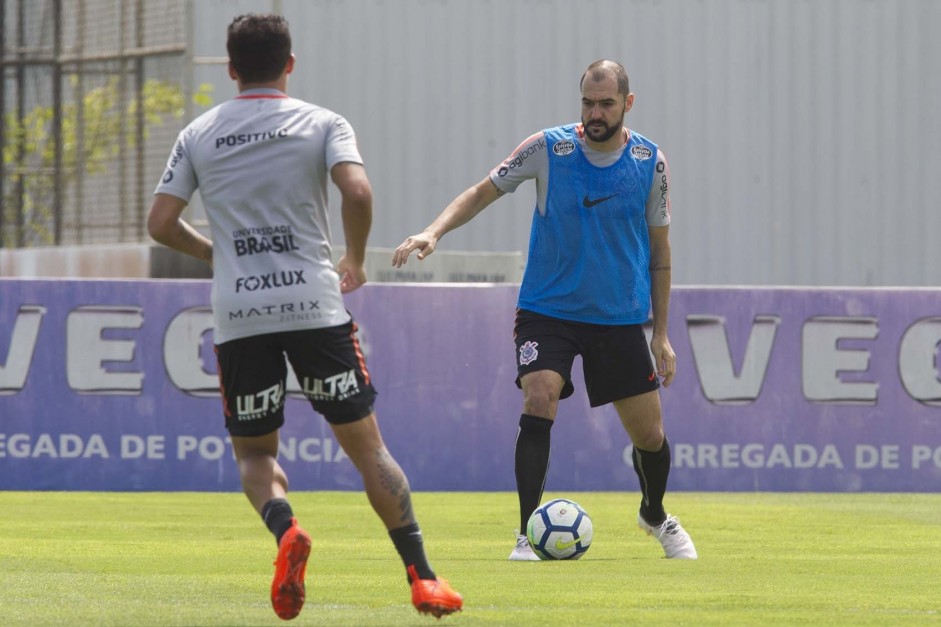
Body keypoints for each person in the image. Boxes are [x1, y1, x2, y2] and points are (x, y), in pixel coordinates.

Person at [147, 13, 462, 620]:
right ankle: (423, 578)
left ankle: (287, 529)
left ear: (232, 69)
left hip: (242, 313)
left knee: (256, 456)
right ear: (290, 63)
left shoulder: (199, 132)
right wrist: (355, 258)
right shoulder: (323, 122)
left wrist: (216, 253)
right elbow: (359, 193)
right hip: (314, 304)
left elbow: (160, 224)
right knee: (368, 450)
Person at [393, 59, 697, 562]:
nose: (594, 112)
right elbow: (481, 191)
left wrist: (661, 334)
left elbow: (661, 253)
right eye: (587, 102)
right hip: (547, 309)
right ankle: (526, 534)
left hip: (618, 317)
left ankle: (655, 513)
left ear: (628, 102)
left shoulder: (650, 162)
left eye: (606, 103)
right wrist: (434, 231)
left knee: (650, 434)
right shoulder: (548, 148)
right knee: (540, 396)